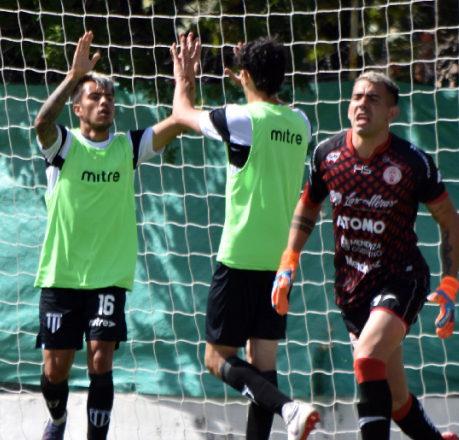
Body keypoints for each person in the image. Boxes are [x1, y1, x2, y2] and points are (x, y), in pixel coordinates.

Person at [275, 72, 459, 440]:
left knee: (365, 359)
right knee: (394, 399)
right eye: (357, 96)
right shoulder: (327, 154)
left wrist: (450, 283)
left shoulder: (412, 162)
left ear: (392, 112)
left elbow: (448, 220)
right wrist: (288, 263)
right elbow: (308, 205)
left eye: (373, 99)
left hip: (402, 278)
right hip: (352, 287)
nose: (362, 103)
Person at [32, 31, 191, 440]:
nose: (105, 103)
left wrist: (184, 84)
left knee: (100, 360)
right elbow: (41, 123)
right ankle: (59, 418)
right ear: (78, 108)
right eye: (94, 97)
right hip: (61, 275)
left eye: (109, 98)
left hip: (108, 277)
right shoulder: (64, 146)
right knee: (56, 370)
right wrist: (73, 76)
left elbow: (175, 124)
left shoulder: (128, 147)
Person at [171, 33, 321, 440]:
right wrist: (247, 76)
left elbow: (181, 112)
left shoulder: (240, 119)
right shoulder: (301, 122)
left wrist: (184, 77)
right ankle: (282, 411)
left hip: (238, 258)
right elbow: (267, 112)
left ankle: (289, 407)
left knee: (217, 359)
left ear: (245, 76)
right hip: (278, 265)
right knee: (263, 367)